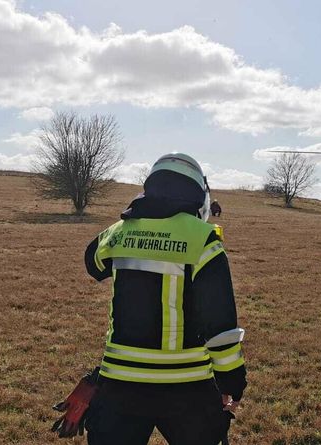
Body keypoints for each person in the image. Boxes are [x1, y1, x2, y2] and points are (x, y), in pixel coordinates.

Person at [65, 152, 246, 444]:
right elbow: (220, 326)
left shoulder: (118, 232)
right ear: (198, 196)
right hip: (188, 387)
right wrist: (232, 382)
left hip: (120, 385)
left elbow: (93, 263)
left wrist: (137, 215)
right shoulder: (203, 239)